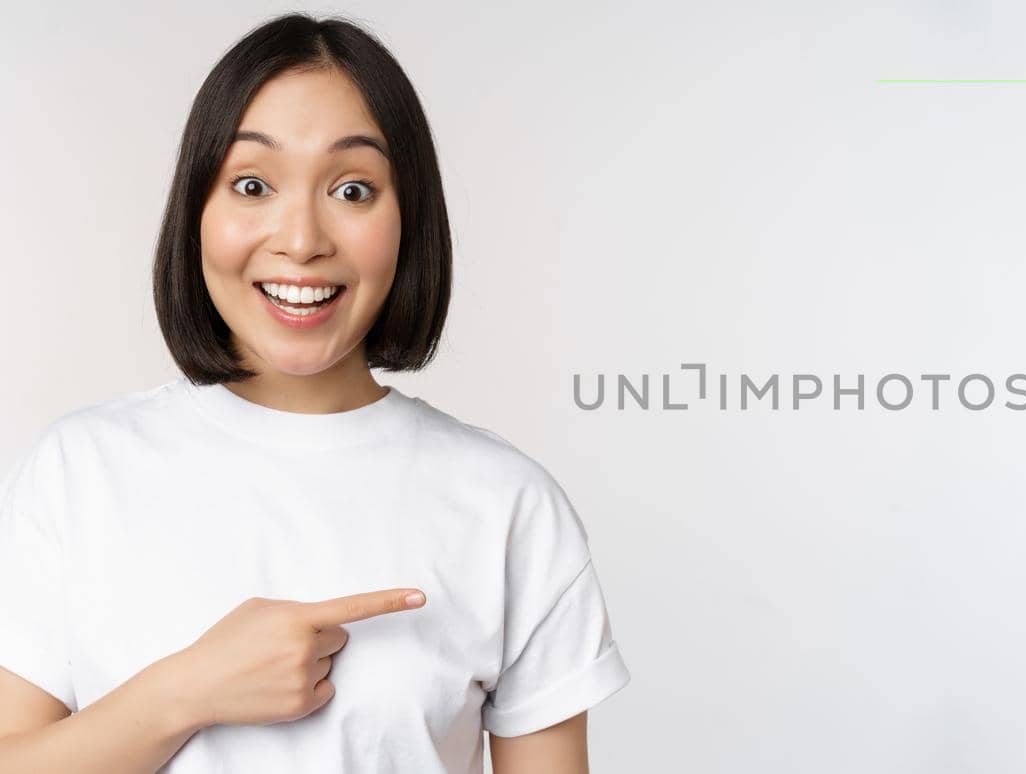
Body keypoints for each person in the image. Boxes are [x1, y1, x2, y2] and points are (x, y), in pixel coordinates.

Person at [0, 12, 630, 773]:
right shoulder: (79, 472)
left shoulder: (507, 506)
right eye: (254, 184)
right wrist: (187, 690)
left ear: (408, 222)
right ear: (197, 210)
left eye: (354, 189)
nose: (301, 240)